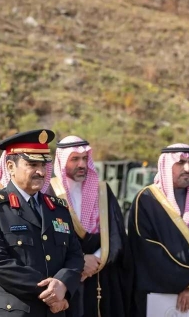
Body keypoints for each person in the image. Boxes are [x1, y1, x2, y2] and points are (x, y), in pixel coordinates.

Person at [0, 130, 84, 317]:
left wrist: (64, 284)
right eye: (32, 164)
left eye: (43, 164)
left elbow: (75, 255)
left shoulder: (58, 209)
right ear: (10, 166)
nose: (40, 171)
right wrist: (50, 292)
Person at [128, 144, 189, 316]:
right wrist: (187, 280)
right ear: (166, 165)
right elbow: (145, 250)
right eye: (180, 162)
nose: (187, 168)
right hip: (158, 293)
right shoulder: (147, 200)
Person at [48, 136, 132, 317]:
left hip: (101, 276)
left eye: (85, 159)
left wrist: (95, 259)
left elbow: (116, 235)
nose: (82, 164)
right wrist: (79, 263)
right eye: (75, 159)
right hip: (65, 278)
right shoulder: (50, 192)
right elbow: (47, 240)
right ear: (62, 161)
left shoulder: (102, 191)